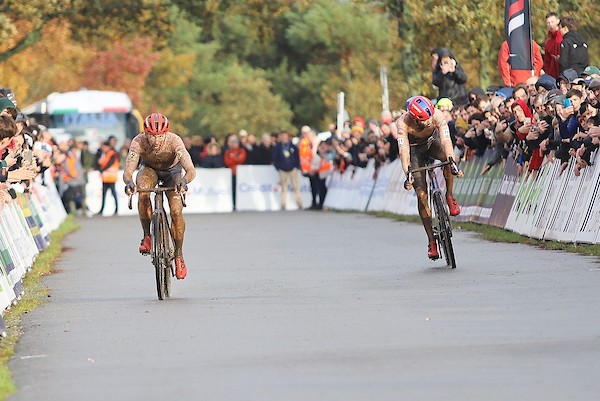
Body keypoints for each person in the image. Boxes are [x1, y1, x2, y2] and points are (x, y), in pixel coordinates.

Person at [123, 112, 196, 280]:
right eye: (151, 136)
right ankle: (147, 236)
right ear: (145, 133)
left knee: (176, 211)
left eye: (159, 136)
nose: (155, 140)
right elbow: (128, 170)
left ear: (166, 133)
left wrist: (184, 181)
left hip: (173, 172)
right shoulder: (138, 141)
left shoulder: (174, 141)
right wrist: (129, 183)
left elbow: (191, 169)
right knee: (143, 192)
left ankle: (178, 255)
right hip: (149, 170)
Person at [397, 96, 462, 260]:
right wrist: (408, 174)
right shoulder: (403, 124)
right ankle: (431, 241)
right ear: (414, 118)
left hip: (431, 144)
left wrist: (452, 162)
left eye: (430, 118)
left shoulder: (437, 115)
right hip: (414, 153)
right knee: (422, 195)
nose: (429, 122)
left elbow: (446, 140)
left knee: (448, 160)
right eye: (425, 121)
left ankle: (449, 196)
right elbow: (403, 152)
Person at [272, 131, 303, 210]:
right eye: (282, 136)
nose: (283, 138)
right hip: (282, 169)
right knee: (284, 187)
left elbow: (297, 157)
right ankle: (283, 204)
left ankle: (299, 203)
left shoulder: (292, 146)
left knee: (296, 187)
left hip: (292, 169)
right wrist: (278, 167)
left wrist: (296, 166)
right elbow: (274, 158)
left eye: (285, 136)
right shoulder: (277, 147)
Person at [96, 140, 120, 216]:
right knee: (104, 194)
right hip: (105, 177)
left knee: (113, 193)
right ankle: (101, 210)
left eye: (104, 147)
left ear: (108, 147)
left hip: (111, 178)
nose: (103, 148)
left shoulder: (112, 154)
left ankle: (116, 209)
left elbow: (110, 163)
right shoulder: (104, 154)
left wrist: (101, 170)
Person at [543, 12, 562, 79]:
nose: (550, 25)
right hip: (552, 75)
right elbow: (547, 60)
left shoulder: (562, 36)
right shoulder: (548, 40)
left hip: (562, 72)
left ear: (558, 21)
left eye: (552, 22)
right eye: (548, 23)